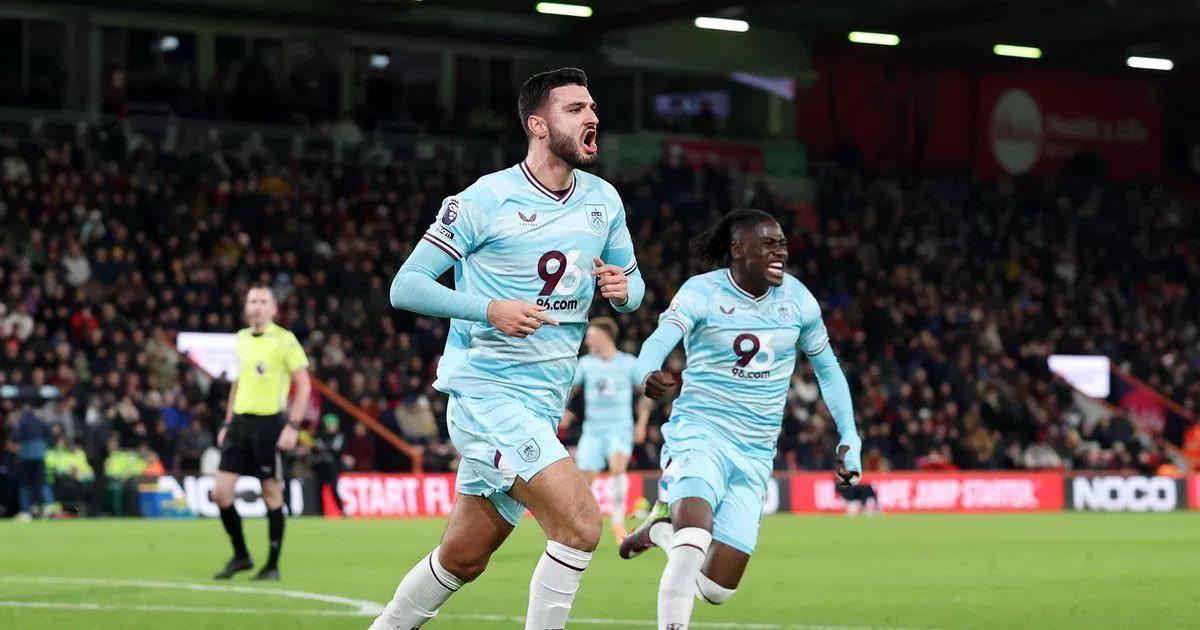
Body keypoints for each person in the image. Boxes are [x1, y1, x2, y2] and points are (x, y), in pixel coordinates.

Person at [372, 67, 644, 630]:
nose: (592, 116)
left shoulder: (604, 200)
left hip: (542, 404)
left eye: (592, 107)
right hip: (487, 394)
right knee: (580, 525)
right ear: (538, 126)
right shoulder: (485, 198)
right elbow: (406, 286)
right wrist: (489, 308)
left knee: (463, 556)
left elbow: (633, 287)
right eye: (575, 109)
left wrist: (625, 291)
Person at [619, 208, 862, 628]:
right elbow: (657, 342)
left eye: (781, 244)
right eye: (767, 244)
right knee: (692, 541)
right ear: (737, 250)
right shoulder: (701, 292)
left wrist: (849, 437)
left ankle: (659, 530)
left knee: (716, 590)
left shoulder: (798, 300)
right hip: (701, 434)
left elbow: (828, 371)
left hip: (755, 452)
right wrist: (647, 373)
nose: (779, 252)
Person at [212, 285, 311, 581]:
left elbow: (303, 385)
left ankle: (272, 565)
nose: (256, 306)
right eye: (252, 301)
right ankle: (241, 555)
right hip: (240, 424)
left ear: (273, 309)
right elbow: (238, 383)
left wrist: (292, 426)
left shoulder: (285, 340)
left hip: (269, 424)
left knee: (271, 491)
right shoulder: (241, 338)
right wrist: (227, 422)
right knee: (221, 493)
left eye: (262, 301)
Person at [559, 316, 652, 542]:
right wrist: (563, 410)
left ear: (605, 336)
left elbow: (647, 393)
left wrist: (642, 423)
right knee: (585, 479)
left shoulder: (629, 363)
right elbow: (570, 388)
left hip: (620, 427)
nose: (588, 340)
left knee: (618, 468)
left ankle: (617, 522)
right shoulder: (586, 364)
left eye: (591, 336)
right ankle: (584, 521)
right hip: (593, 430)